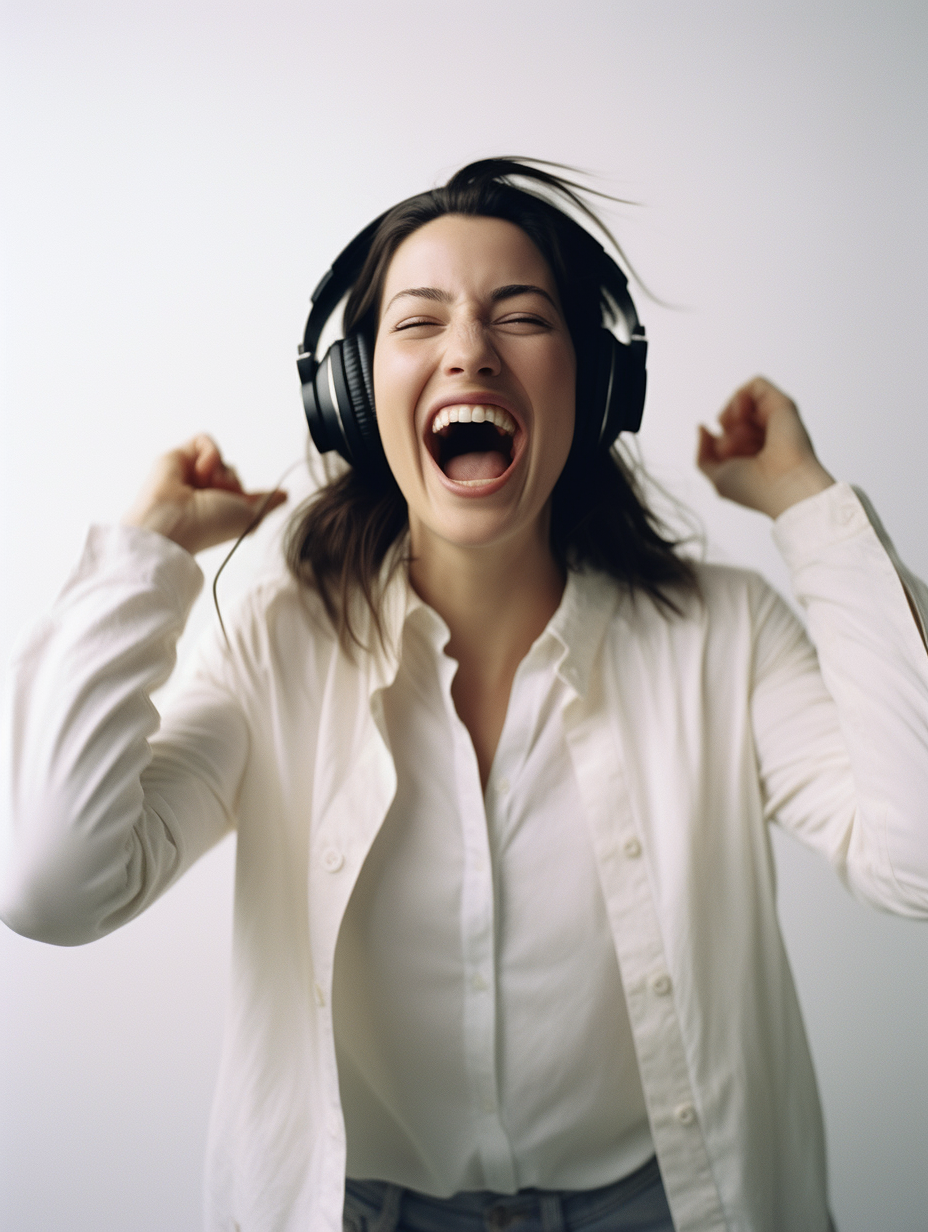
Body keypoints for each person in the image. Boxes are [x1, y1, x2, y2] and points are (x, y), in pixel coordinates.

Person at [2, 159, 928, 1232]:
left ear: (594, 384)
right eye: (419, 320)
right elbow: (52, 881)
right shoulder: (272, 644)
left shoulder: (724, 633)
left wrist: (810, 508)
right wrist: (144, 554)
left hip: (668, 1203)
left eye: (521, 316)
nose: (469, 349)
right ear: (349, 394)